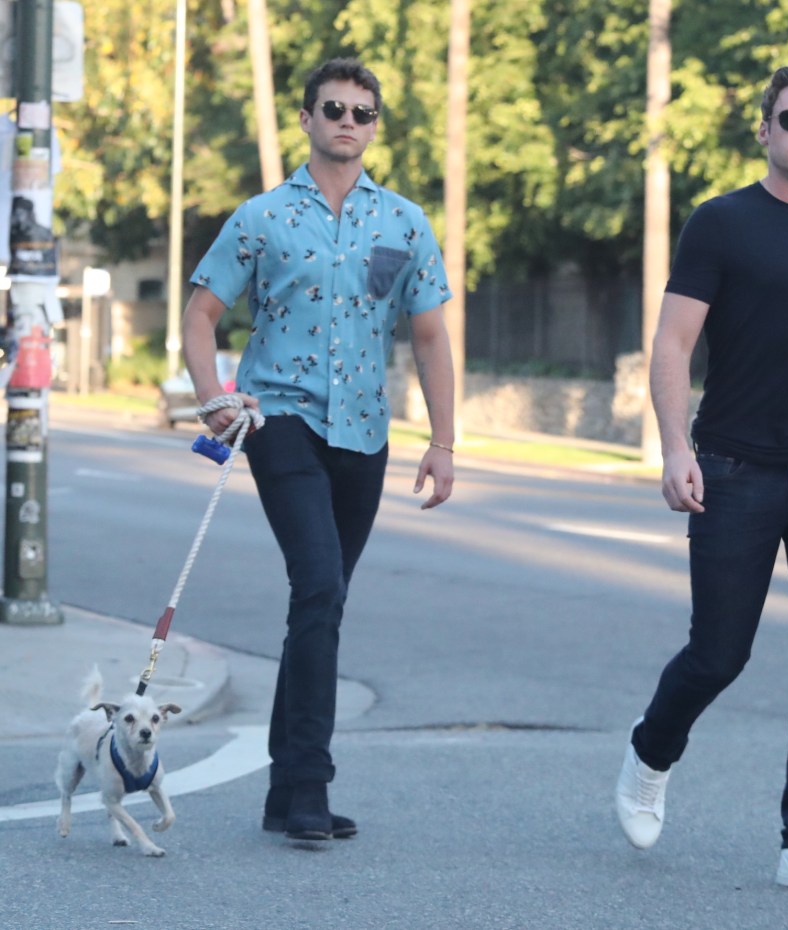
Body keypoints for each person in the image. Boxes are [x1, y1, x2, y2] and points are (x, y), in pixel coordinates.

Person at [614, 63, 788, 893]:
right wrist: (674, 447)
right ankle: (651, 749)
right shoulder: (721, 224)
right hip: (735, 466)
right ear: (765, 130)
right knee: (719, 653)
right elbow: (671, 344)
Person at [181, 57, 455, 842]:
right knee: (320, 587)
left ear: (375, 126)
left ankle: (281, 793)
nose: (347, 120)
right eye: (332, 108)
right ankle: (307, 784)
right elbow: (201, 315)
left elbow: (430, 335)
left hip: (366, 433)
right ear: (305, 119)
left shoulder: (404, 223)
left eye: (362, 112)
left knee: (320, 603)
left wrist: (443, 441)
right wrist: (214, 399)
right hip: (281, 422)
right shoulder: (262, 218)